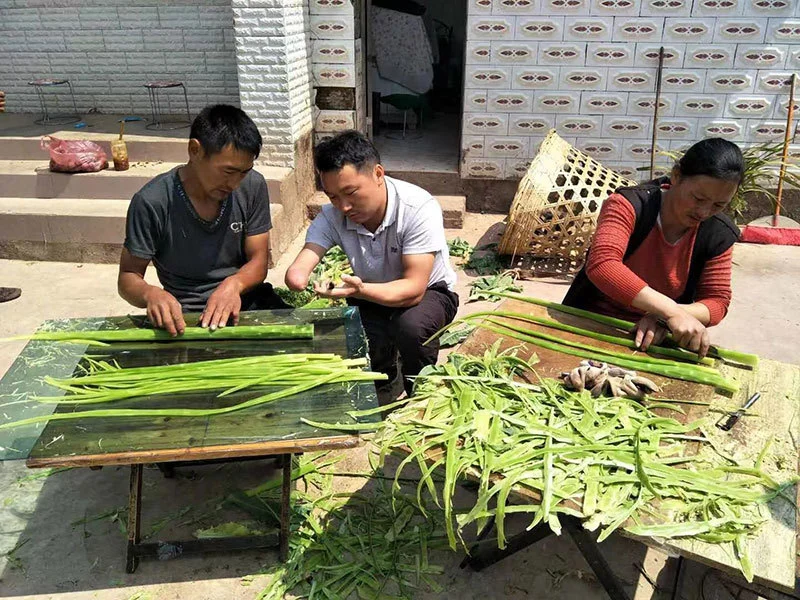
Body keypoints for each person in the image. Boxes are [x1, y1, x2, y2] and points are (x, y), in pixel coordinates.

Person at [285, 130, 458, 397]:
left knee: (410, 328)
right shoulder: (332, 216)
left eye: (350, 192)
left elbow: (413, 289)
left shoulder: (417, 207)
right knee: (363, 335)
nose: (343, 206)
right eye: (332, 197)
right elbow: (302, 264)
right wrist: (298, 278)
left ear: (378, 174)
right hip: (369, 292)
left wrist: (360, 291)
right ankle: (385, 378)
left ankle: (420, 389)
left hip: (428, 293)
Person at [563, 138, 744, 359]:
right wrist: (670, 310)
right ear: (676, 176)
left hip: (656, 339)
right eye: (698, 198)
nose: (704, 212)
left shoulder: (718, 233)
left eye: (718, 205)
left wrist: (662, 318)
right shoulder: (628, 205)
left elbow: (717, 301)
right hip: (591, 323)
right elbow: (603, 265)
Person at [118, 104, 288, 336]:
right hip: (186, 315)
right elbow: (129, 276)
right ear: (194, 150)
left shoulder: (253, 186)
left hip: (246, 300)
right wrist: (151, 295)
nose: (235, 183)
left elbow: (258, 261)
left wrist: (233, 285)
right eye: (228, 172)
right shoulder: (152, 202)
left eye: (244, 172)